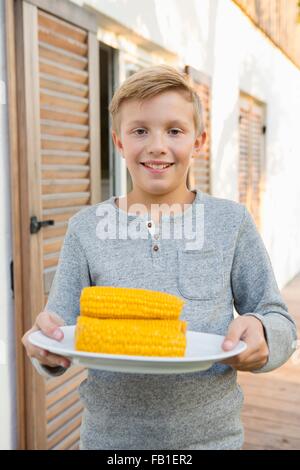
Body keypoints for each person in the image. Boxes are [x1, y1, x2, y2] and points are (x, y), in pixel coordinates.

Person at [22, 65, 297, 450]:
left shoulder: (230, 222)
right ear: (119, 143)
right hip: (108, 442)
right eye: (139, 131)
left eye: (174, 130)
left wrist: (264, 334)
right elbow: (60, 330)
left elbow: (278, 318)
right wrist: (44, 347)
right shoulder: (85, 228)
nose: (156, 146)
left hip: (211, 441)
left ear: (198, 142)